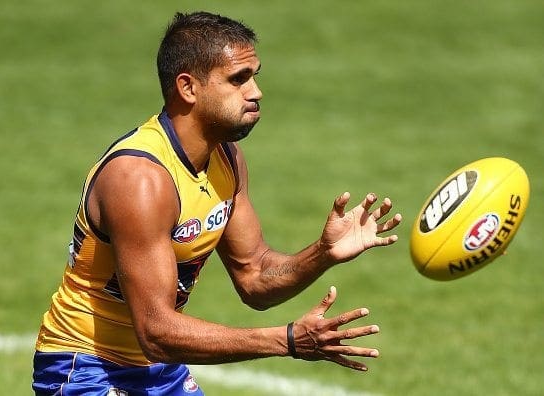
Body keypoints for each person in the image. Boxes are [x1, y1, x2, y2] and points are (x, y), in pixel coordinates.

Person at [33, 11, 402, 396]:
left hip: (159, 368)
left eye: (254, 76)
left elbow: (255, 276)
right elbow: (156, 331)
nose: (256, 91)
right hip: (86, 368)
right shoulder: (140, 179)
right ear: (188, 87)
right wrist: (287, 339)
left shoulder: (226, 158)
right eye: (238, 79)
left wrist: (323, 253)